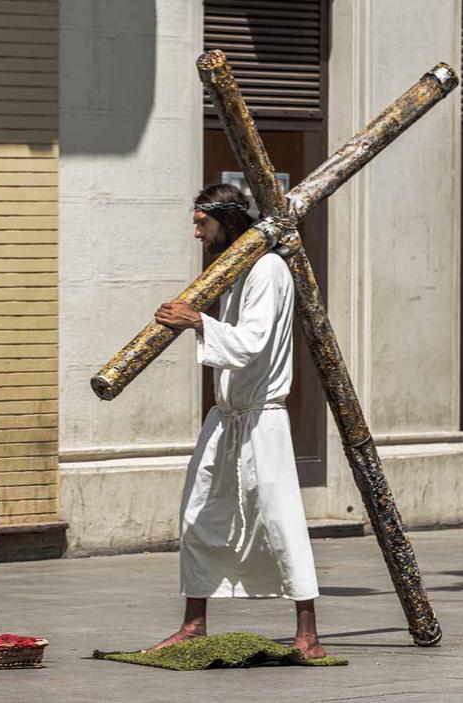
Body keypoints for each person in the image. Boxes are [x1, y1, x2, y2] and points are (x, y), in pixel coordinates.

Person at [150, 183, 326, 658]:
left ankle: (308, 633)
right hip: (226, 419)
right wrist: (200, 321)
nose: (195, 233)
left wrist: (198, 323)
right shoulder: (234, 271)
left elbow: (251, 342)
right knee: (199, 514)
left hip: (261, 420)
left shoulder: (267, 269)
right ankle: (193, 623)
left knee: (279, 518)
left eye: (200, 222)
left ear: (226, 220)